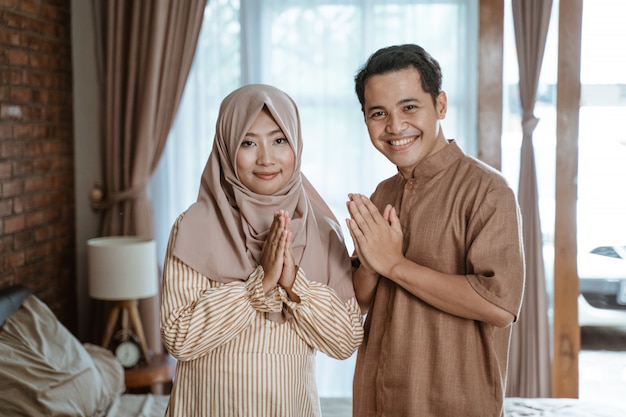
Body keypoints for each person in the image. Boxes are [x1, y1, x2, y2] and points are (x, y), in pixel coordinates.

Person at [160, 84, 364, 417]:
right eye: (248, 142)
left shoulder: (322, 231)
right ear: (226, 147)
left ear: (296, 143)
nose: (266, 158)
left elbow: (344, 341)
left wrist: (293, 283)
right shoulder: (194, 226)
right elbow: (179, 338)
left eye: (279, 140)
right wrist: (259, 285)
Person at [345, 44, 525, 417]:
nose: (395, 126)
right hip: (374, 401)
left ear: (440, 105)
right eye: (379, 113)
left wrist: (395, 265)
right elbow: (358, 301)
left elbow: (499, 305)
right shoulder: (383, 193)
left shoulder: (488, 191)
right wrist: (371, 268)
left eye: (410, 107)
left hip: (451, 403)